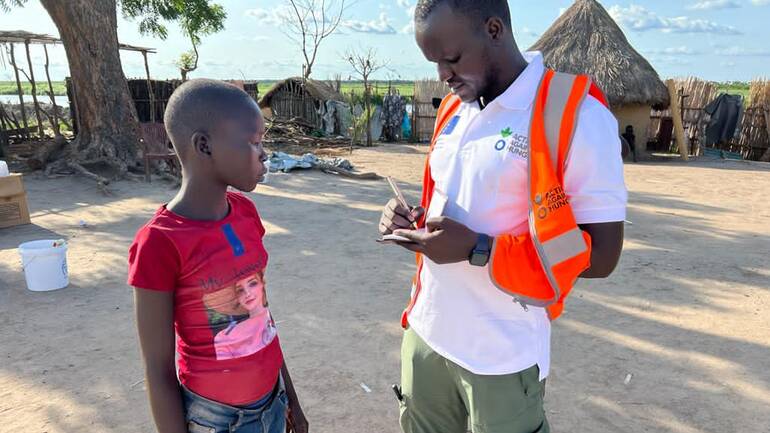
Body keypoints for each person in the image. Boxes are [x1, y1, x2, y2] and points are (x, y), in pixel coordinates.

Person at [379, 1, 627, 433]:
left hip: (501, 354)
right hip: (427, 333)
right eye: (434, 62)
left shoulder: (577, 116)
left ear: (494, 30)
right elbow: (450, 208)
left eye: (451, 59)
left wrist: (480, 249)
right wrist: (412, 221)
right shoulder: (453, 110)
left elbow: (601, 256)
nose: (442, 75)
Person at [128, 79, 308, 433]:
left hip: (273, 403)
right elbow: (157, 368)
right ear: (204, 145)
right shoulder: (159, 243)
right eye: (254, 143)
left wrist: (292, 401)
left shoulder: (245, 214)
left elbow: (262, 322)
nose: (264, 154)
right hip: (217, 421)